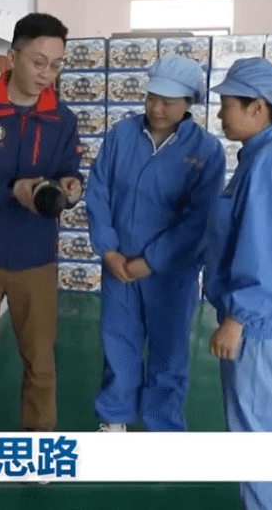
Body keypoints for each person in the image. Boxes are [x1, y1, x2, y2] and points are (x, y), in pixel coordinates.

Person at [0, 12, 84, 432]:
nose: (47, 74)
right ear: (12, 57)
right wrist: (12, 189)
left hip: (35, 256)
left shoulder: (62, 118)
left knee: (40, 360)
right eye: (38, 62)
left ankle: (39, 439)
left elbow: (68, 167)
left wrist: (71, 186)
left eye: (56, 65)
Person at [85, 56, 227, 433]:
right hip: (118, 264)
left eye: (168, 101)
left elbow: (199, 218)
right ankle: (114, 419)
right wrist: (108, 249)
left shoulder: (206, 150)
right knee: (119, 344)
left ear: (190, 102)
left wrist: (152, 260)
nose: (157, 108)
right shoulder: (121, 135)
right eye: (151, 98)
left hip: (170, 272)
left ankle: (163, 428)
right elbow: (98, 191)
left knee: (169, 352)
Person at [203, 57, 272, 510]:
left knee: (260, 445)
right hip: (265, 325)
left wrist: (237, 319)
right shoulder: (260, 158)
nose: (220, 114)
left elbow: (264, 252)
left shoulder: (270, 164)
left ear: (257, 107)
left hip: (260, 331)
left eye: (227, 104)